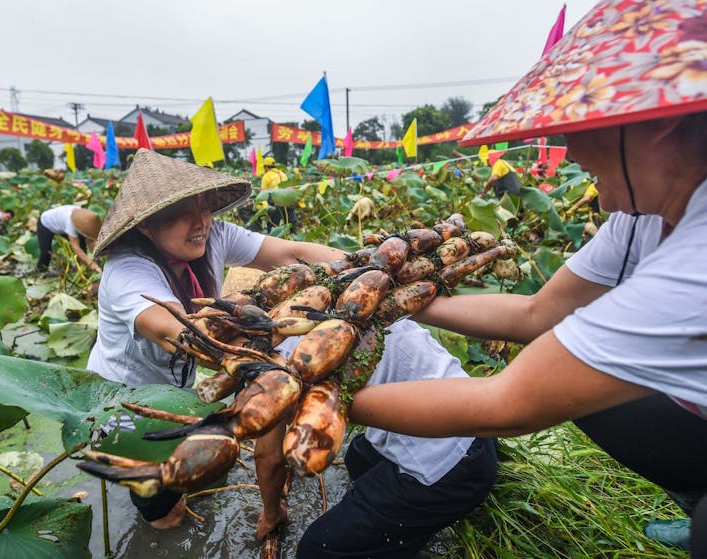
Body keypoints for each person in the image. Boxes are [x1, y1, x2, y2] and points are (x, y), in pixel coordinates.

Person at [349, 1, 706, 554]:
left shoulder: (697, 259)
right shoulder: (637, 216)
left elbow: (506, 405)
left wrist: (324, 393)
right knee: (598, 397)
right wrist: (398, 298)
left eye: (584, 124)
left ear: (660, 124)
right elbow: (537, 313)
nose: (567, 150)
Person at [86, 148, 345, 529]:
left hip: (176, 393)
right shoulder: (127, 271)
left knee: (198, 469)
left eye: (204, 208)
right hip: (120, 406)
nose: (200, 223)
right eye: (180, 213)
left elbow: (292, 253)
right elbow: (179, 331)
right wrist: (270, 335)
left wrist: (358, 264)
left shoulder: (213, 234)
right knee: (165, 514)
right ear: (145, 224)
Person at [270, 320, 497, 559]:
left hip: (456, 470)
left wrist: (271, 513)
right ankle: (397, 529)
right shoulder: (350, 302)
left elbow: (270, 458)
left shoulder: (281, 369)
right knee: (357, 457)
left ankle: (403, 536)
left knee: (316, 550)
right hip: (478, 422)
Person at [36, 205, 102, 273]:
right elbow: (75, 247)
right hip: (45, 223)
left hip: (60, 222)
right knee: (46, 252)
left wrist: (97, 257)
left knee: (82, 241)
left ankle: (81, 265)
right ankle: (41, 271)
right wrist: (91, 264)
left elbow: (90, 240)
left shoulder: (83, 217)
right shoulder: (70, 223)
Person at [260, 156, 299, 231]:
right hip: (288, 199)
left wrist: (264, 206)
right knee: (291, 222)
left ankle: (272, 239)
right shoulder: (282, 174)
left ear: (266, 167)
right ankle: (294, 236)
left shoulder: (266, 176)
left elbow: (263, 193)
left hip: (276, 201)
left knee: (273, 225)